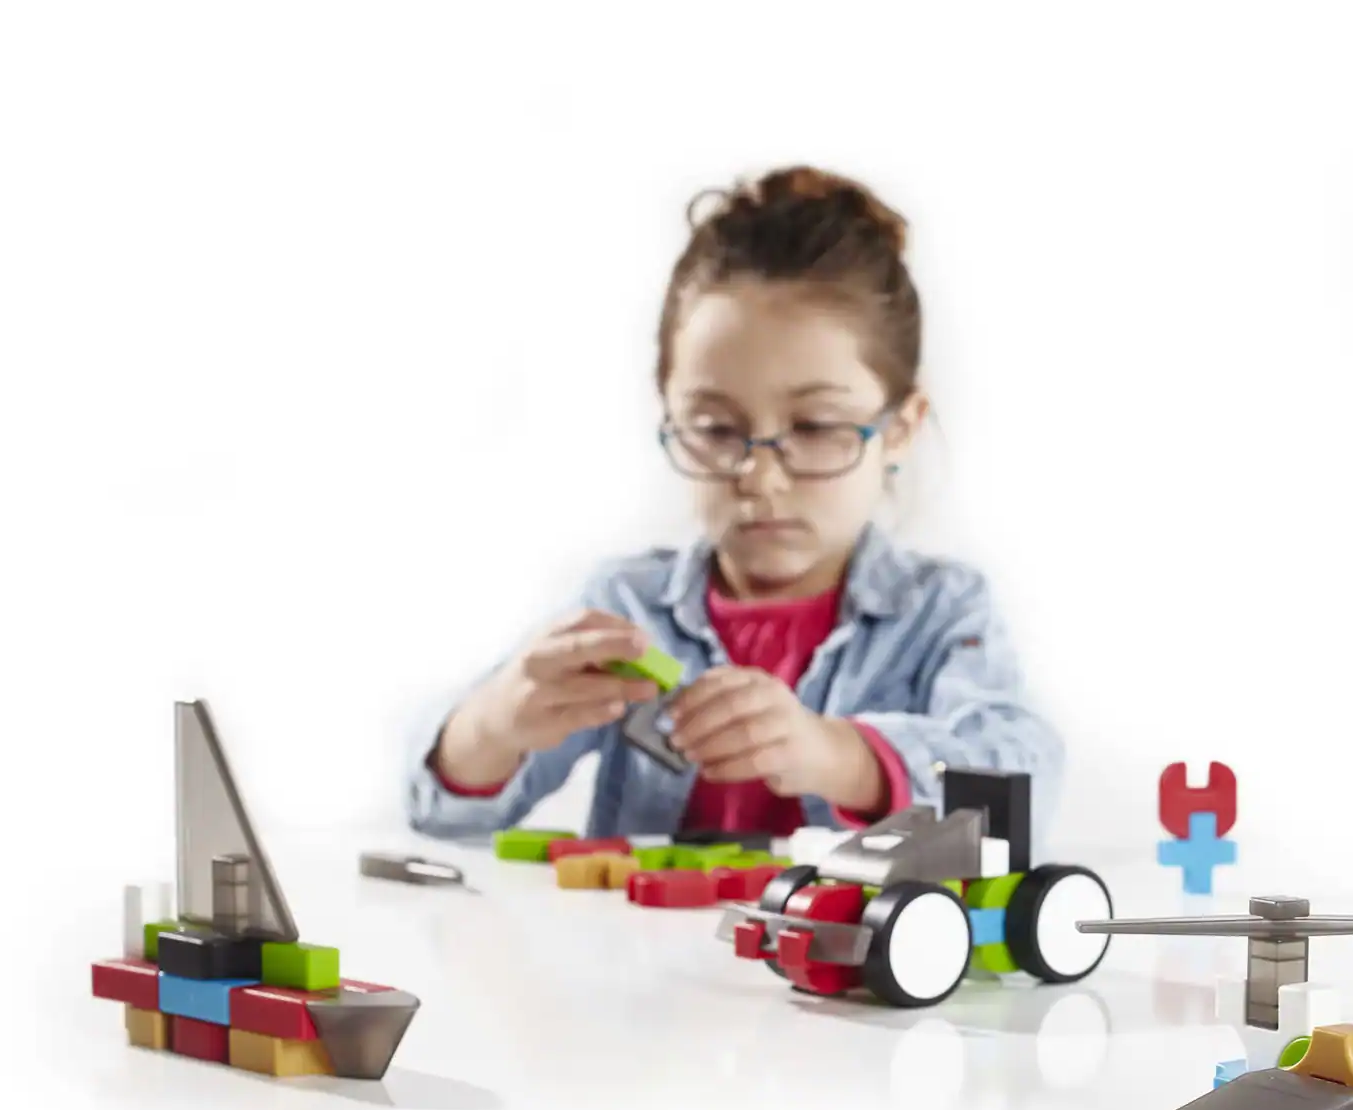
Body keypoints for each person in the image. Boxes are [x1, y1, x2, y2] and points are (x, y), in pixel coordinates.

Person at [405, 165, 1061, 847]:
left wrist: (837, 756)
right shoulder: (628, 609)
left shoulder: (941, 614)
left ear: (899, 429)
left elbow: (1020, 793)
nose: (760, 479)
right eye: (717, 429)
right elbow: (439, 810)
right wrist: (492, 727)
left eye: (815, 427)